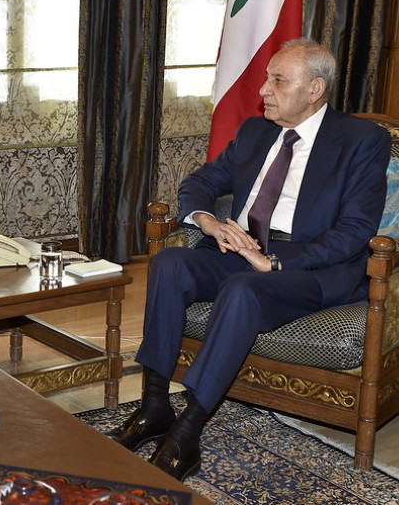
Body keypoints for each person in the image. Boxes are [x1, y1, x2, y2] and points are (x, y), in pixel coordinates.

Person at [107, 39, 391, 481]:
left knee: (243, 290)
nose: (263, 89)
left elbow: (355, 232)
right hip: (240, 248)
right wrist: (208, 222)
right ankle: (155, 406)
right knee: (170, 263)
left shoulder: (361, 141)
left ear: (315, 89)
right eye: (266, 78)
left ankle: (187, 431)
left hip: (309, 268)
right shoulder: (256, 131)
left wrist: (274, 262)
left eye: (278, 80)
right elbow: (200, 182)